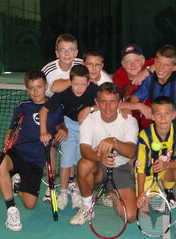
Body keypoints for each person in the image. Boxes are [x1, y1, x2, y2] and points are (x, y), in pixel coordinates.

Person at [131, 45, 176, 221]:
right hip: (158, 129)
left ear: (175, 67)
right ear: (154, 62)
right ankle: (169, 196)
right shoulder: (150, 80)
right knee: (161, 160)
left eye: (166, 65)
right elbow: (134, 99)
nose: (161, 69)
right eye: (159, 63)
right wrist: (140, 106)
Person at [0, 70, 67, 231]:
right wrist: (8, 137)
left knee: (30, 205)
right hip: (17, 154)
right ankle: (11, 210)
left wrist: (63, 130)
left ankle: (16, 182)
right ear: (27, 89)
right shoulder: (23, 106)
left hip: (36, 162)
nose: (35, 92)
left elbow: (61, 125)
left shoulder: (55, 107)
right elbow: (11, 128)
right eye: (31, 88)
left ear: (46, 86)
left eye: (39, 87)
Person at [70, 82, 139, 225]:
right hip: (98, 167)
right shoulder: (89, 120)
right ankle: (87, 208)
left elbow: (131, 151)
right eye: (103, 102)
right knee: (84, 164)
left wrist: (114, 141)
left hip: (121, 169)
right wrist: (100, 157)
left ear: (119, 102)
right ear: (97, 102)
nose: (108, 107)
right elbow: (84, 149)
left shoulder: (129, 121)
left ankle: (111, 192)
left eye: (113, 102)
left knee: (130, 216)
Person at [39, 64, 99, 211]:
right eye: (75, 84)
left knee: (81, 162)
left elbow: (104, 105)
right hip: (69, 127)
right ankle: (64, 193)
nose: (79, 88)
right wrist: (43, 132)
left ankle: (77, 192)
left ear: (89, 82)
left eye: (83, 84)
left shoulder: (94, 89)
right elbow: (44, 110)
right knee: (66, 162)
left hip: (87, 127)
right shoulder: (63, 92)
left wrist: (89, 109)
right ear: (70, 82)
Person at [136, 96, 176, 236]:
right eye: (158, 114)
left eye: (167, 113)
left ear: (174, 115)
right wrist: (141, 193)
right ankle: (156, 194)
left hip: (166, 172)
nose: (163, 118)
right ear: (152, 116)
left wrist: (166, 164)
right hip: (148, 176)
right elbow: (140, 169)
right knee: (143, 211)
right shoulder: (145, 135)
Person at [41, 33, 82, 201]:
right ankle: (51, 183)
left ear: (77, 52)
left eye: (71, 50)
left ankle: (72, 181)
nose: (67, 54)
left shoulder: (82, 65)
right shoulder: (48, 69)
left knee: (75, 144)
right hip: (55, 109)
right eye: (63, 50)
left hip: (76, 111)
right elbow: (45, 94)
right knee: (52, 143)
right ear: (57, 53)